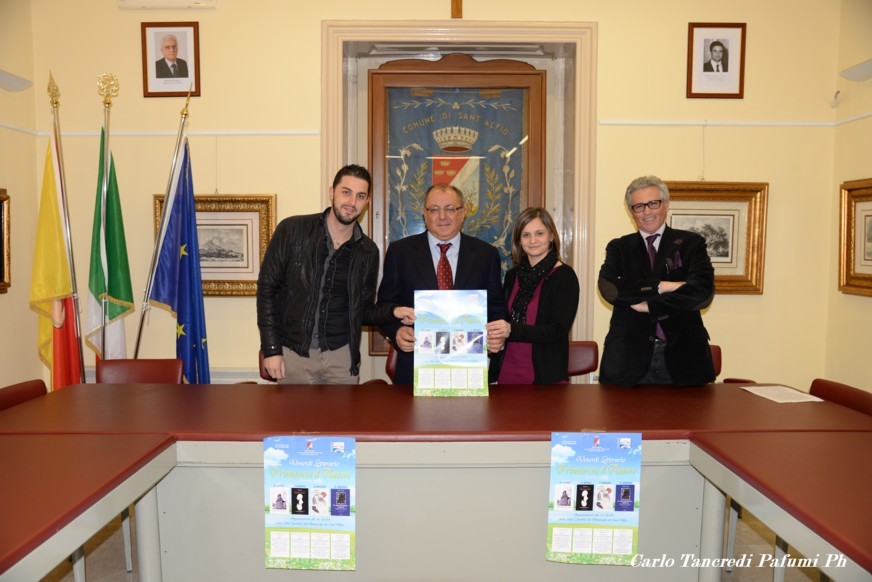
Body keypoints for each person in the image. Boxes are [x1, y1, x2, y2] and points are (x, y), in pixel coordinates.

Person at [257, 164, 414, 384]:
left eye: (360, 196)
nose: (352, 202)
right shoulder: (292, 230)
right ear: (332, 192)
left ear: (367, 202)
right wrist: (271, 349)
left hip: (341, 359)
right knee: (293, 410)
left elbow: (363, 310)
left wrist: (394, 311)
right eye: (346, 192)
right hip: (293, 354)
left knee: (344, 410)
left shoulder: (368, 251)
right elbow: (267, 291)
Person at [377, 183, 507, 384]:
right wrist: (396, 331)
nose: (442, 216)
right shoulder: (400, 252)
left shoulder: (486, 254)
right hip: (415, 369)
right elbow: (384, 307)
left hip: (467, 369)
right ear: (424, 213)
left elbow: (496, 306)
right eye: (434, 209)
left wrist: (497, 335)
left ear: (463, 213)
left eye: (450, 209)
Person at [598, 175, 716, 387]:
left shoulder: (691, 243)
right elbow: (610, 288)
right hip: (627, 360)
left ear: (666, 204)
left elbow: (702, 293)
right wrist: (662, 286)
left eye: (653, 203)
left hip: (684, 358)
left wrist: (651, 307)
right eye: (639, 206)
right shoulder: (619, 247)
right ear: (631, 211)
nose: (647, 212)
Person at [487, 207, 580, 384]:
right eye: (526, 235)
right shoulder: (512, 276)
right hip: (506, 372)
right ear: (519, 240)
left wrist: (512, 329)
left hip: (545, 377)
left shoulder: (564, 276)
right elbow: (503, 318)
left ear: (551, 236)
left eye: (539, 233)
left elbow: (558, 331)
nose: (533, 240)